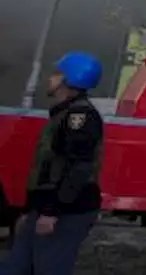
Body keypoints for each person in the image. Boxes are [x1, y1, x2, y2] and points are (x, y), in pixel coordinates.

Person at [0, 52, 105, 275]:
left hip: (67, 211)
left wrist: (51, 212)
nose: (50, 78)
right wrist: (29, 211)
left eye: (57, 74)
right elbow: (46, 169)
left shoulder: (80, 118)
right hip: (45, 207)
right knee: (15, 268)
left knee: (50, 267)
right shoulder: (63, 114)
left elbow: (78, 169)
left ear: (70, 80)